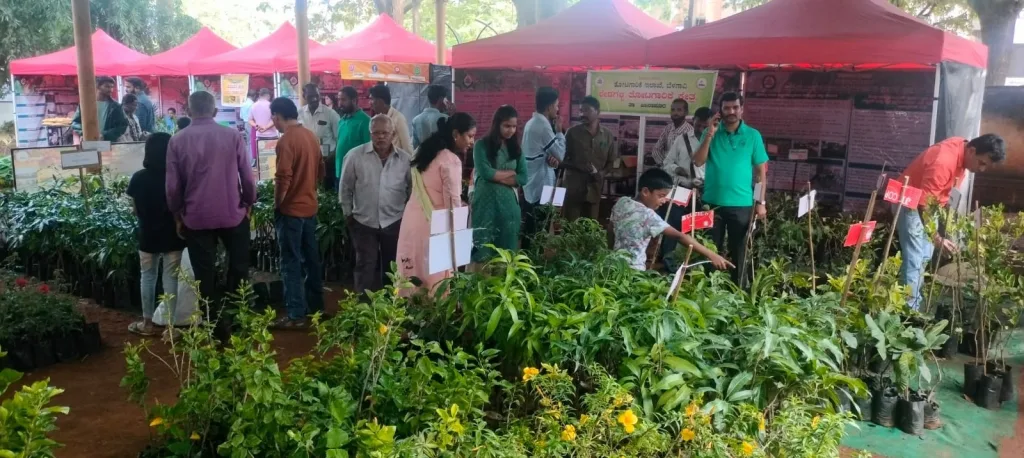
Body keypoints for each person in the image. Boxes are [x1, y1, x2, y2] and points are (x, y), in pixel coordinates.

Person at [166, 91, 257, 341]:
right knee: (238, 268)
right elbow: (247, 176)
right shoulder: (232, 136)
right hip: (233, 213)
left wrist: (177, 214)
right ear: (215, 111)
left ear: (188, 111)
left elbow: (172, 187)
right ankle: (238, 323)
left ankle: (214, 328)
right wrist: (248, 202)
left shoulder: (177, 140)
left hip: (196, 217)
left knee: (204, 275)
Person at [897, 134, 1006, 310]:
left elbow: (937, 199)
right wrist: (937, 238)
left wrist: (949, 227)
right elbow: (923, 205)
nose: (982, 169)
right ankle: (909, 310)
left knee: (925, 254)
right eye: (981, 163)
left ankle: (912, 297)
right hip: (911, 203)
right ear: (972, 151)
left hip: (928, 204)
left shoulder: (963, 150)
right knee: (915, 257)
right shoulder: (943, 161)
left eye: (986, 165)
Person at [692, 92, 768, 287]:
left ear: (741, 109)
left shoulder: (753, 135)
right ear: (720, 111)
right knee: (709, 249)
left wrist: (760, 202)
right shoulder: (709, 133)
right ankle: (707, 290)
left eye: (735, 107)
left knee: (740, 251)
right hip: (711, 202)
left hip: (742, 204)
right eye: (727, 108)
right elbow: (698, 161)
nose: (731, 111)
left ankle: (740, 291)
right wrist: (710, 134)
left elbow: (760, 172)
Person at [396, 113, 476, 294]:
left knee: (412, 270)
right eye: (470, 136)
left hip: (412, 220)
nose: (472, 141)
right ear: (456, 134)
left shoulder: (423, 151)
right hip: (435, 225)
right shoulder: (450, 160)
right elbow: (453, 204)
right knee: (436, 279)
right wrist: (458, 243)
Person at [269, 97, 325, 328]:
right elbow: (321, 170)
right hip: (310, 208)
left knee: (290, 262)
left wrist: (277, 205)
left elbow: (283, 178)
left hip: (291, 211)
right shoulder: (310, 136)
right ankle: (316, 308)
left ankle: (295, 314)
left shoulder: (285, 141)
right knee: (311, 259)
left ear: (276, 116)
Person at [340, 115, 412, 296]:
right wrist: (348, 214)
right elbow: (345, 187)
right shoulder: (355, 156)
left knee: (392, 266)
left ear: (393, 134)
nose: (380, 137)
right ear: (370, 133)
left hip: (394, 221)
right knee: (365, 265)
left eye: (385, 133)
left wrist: (407, 216)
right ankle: (361, 306)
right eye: (376, 133)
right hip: (363, 221)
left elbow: (412, 189)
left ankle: (390, 305)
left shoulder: (405, 160)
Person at [610, 168, 731, 272]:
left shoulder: (622, 202)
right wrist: (712, 255)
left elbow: (611, 229)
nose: (664, 201)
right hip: (634, 270)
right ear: (645, 191)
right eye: (661, 196)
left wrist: (610, 252)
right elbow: (680, 237)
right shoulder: (648, 215)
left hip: (613, 265)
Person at [126, 133, 185, 337]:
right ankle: (170, 329)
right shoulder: (176, 177)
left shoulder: (138, 178)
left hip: (147, 235)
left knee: (147, 276)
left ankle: (146, 323)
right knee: (171, 279)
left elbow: (135, 210)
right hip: (173, 235)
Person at [471, 106, 527, 264]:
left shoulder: (515, 148)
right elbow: (485, 173)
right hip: (485, 206)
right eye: (507, 126)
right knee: (483, 250)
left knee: (506, 252)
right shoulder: (481, 145)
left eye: (514, 126)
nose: (511, 130)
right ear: (497, 124)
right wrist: (511, 173)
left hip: (508, 207)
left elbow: (523, 177)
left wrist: (496, 176)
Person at [522, 87, 565, 247]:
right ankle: (533, 260)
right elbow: (560, 154)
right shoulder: (543, 125)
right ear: (549, 107)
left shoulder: (532, 123)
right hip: (541, 186)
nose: (557, 109)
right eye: (556, 105)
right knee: (539, 230)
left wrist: (550, 158)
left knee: (532, 229)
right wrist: (559, 132)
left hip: (534, 183)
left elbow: (544, 154)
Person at [562, 96, 616, 221]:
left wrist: (601, 174)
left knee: (590, 227)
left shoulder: (607, 135)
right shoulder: (572, 133)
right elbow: (560, 161)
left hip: (594, 190)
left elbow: (611, 162)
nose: (582, 114)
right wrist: (577, 165)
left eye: (586, 110)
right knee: (570, 227)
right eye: (580, 110)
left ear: (597, 112)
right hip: (573, 191)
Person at [298, 83, 341, 191]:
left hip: (327, 161)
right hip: (307, 161)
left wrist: (331, 157)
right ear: (304, 96)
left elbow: (339, 139)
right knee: (309, 190)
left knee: (327, 192)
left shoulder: (330, 114)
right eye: (310, 96)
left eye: (316, 95)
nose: (314, 99)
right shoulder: (299, 114)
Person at [72, 76, 128, 142]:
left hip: (108, 142)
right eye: (107, 86)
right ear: (97, 86)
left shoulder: (116, 106)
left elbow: (122, 126)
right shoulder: (86, 104)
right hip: (88, 140)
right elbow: (75, 123)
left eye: (112, 87)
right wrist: (83, 133)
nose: (111, 90)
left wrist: (105, 135)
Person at [335, 86, 372, 180]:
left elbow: (369, 150)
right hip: (340, 171)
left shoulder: (365, 121)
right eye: (339, 99)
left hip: (356, 175)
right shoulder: (341, 121)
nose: (340, 103)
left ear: (354, 100)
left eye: (343, 100)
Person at [651, 99, 695, 167]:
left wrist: (672, 167)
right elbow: (656, 150)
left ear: (686, 112)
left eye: (679, 110)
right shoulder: (668, 128)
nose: (675, 113)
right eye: (673, 110)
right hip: (665, 168)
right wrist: (665, 165)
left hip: (681, 171)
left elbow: (687, 158)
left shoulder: (690, 132)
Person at [369, 84, 413, 153]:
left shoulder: (398, 118)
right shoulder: (375, 120)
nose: (370, 103)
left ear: (380, 101)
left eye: (372, 99)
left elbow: (407, 146)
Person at [249, 88, 278, 162]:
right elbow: (275, 119)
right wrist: (266, 127)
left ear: (260, 95)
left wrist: (256, 126)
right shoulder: (271, 105)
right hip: (271, 136)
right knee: (271, 161)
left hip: (259, 135)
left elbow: (250, 120)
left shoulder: (253, 105)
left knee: (262, 160)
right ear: (268, 95)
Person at [240, 90, 257, 159]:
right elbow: (254, 116)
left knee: (248, 142)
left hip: (245, 123)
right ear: (254, 96)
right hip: (251, 124)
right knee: (252, 142)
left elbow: (241, 116)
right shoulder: (252, 104)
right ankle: (251, 159)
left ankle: (248, 159)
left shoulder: (243, 103)